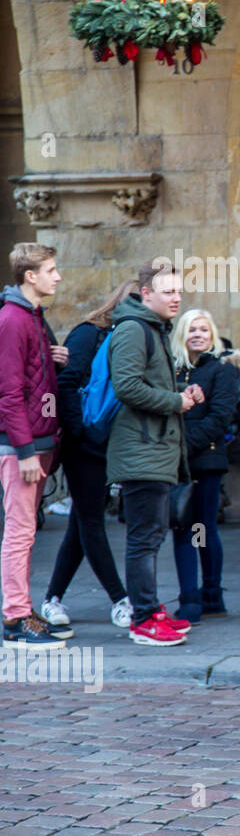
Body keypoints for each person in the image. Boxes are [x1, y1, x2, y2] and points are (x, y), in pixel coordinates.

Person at [107, 262, 200, 647]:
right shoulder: (133, 330)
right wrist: (175, 401)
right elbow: (127, 386)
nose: (176, 297)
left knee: (152, 535)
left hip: (155, 450)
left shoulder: (154, 329)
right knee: (143, 539)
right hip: (141, 451)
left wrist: (182, 395)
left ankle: (151, 608)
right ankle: (143, 619)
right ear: (146, 294)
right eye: (168, 291)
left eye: (179, 291)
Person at [42, 279, 136, 630]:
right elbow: (66, 384)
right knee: (91, 522)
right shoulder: (89, 334)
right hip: (84, 446)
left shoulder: (135, 337)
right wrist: (81, 433)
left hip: (107, 444)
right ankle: (120, 599)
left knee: (82, 522)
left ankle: (52, 598)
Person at [1, 243, 70, 648]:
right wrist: (25, 451)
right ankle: (15, 619)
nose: (57, 276)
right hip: (19, 448)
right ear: (31, 276)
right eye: (51, 269)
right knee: (20, 532)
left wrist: (51, 358)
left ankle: (24, 610)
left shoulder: (32, 317)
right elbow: (8, 393)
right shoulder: (13, 319)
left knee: (27, 532)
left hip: (37, 441)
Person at [171, 309, 239, 623]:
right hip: (175, 462)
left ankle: (212, 593)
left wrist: (183, 444)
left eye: (204, 330)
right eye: (192, 329)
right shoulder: (172, 371)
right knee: (182, 527)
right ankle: (190, 597)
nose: (198, 334)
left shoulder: (221, 370)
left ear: (211, 335)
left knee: (203, 528)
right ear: (182, 335)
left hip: (205, 461)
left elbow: (220, 418)